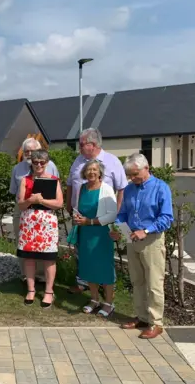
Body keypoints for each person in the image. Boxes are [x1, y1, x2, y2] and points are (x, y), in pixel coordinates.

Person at [112, 153, 174, 339]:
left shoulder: (160, 188)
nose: (132, 178)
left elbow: (166, 218)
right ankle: (141, 316)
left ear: (146, 168)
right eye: (129, 175)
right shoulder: (130, 189)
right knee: (137, 281)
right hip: (132, 240)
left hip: (151, 241)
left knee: (154, 283)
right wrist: (118, 228)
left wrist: (145, 231)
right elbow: (122, 213)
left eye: (134, 174)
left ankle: (156, 323)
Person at [66, 128, 127, 293]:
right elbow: (70, 184)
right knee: (83, 251)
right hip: (80, 215)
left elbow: (122, 189)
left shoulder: (112, 161)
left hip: (103, 217)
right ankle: (83, 282)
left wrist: (117, 212)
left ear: (92, 145)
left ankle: (107, 284)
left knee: (103, 251)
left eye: (81, 144)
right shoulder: (78, 161)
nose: (78, 148)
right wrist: (68, 205)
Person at [70, 159, 118, 318]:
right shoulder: (82, 188)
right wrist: (77, 217)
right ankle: (94, 299)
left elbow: (112, 215)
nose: (91, 172)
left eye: (94, 170)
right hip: (85, 234)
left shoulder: (106, 189)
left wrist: (89, 221)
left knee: (104, 268)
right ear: (85, 172)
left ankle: (109, 303)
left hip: (101, 234)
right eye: (89, 170)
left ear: (100, 173)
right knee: (88, 267)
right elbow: (78, 208)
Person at [16, 150, 64, 308]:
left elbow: (59, 204)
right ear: (32, 163)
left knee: (48, 258)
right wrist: (31, 199)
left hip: (47, 223)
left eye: (42, 162)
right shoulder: (25, 180)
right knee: (29, 257)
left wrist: (42, 200)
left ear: (47, 163)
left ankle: (49, 291)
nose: (39, 165)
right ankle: (31, 289)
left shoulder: (54, 180)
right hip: (29, 222)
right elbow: (21, 204)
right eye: (35, 162)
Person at [10, 137, 59, 282]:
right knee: (23, 242)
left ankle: (43, 277)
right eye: (27, 151)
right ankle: (26, 276)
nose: (30, 154)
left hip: (45, 211)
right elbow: (14, 191)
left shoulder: (51, 166)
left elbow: (57, 190)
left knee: (44, 245)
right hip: (23, 211)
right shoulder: (17, 169)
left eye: (33, 151)